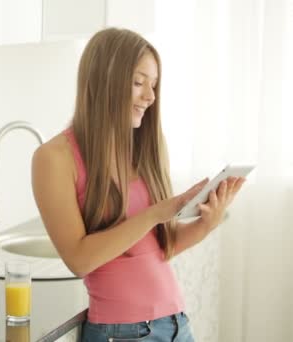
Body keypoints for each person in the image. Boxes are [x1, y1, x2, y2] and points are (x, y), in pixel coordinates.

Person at [31, 27, 246, 342]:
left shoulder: (144, 147)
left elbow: (157, 247)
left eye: (154, 84)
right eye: (138, 82)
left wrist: (205, 225)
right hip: (122, 333)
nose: (150, 96)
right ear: (105, 81)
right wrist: (155, 214)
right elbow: (79, 260)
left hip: (176, 326)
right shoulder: (54, 158)